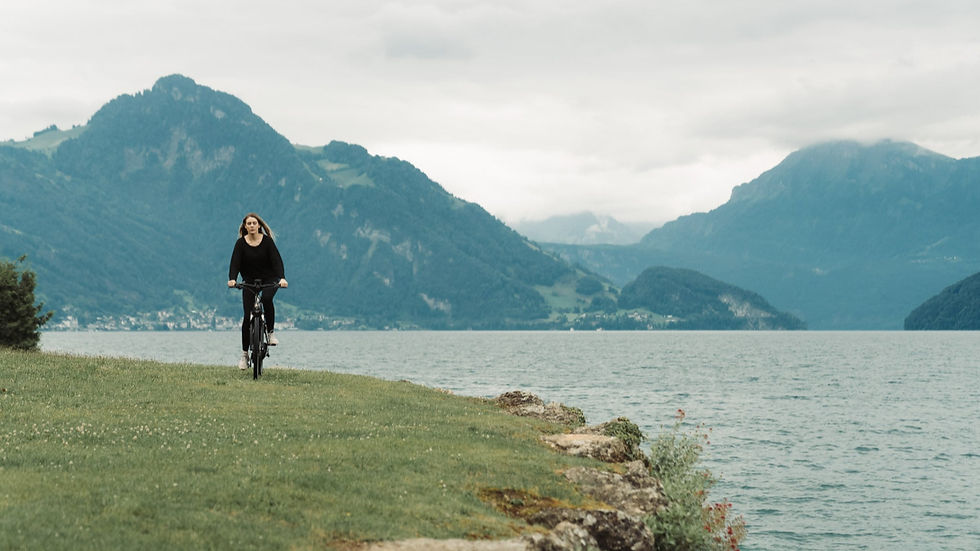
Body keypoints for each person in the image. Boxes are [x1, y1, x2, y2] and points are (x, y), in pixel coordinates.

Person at [227, 213, 288, 370]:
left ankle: (271, 332)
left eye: (254, 223)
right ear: (245, 226)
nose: (252, 225)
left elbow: (276, 261)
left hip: (269, 279)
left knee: (267, 299)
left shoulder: (267, 242)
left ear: (259, 225)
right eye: (249, 223)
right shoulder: (240, 244)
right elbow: (235, 263)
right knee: (247, 317)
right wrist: (232, 279)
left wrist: (281, 278)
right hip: (249, 281)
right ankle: (244, 355)